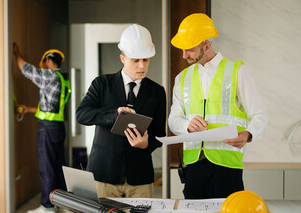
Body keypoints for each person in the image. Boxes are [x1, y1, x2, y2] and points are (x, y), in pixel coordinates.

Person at [168, 13, 268, 199]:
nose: (184, 55)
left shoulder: (238, 71)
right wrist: (186, 125)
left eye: (189, 50)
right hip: (193, 169)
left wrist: (248, 134)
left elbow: (259, 114)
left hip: (227, 169)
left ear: (207, 45)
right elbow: (173, 120)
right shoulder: (182, 78)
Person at [76, 24, 167, 198]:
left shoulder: (157, 91)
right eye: (135, 60)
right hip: (104, 176)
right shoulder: (102, 84)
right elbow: (82, 114)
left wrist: (146, 145)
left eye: (146, 60)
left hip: (140, 178)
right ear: (122, 58)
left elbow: (159, 134)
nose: (141, 66)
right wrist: (114, 115)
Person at [13, 43, 71, 213]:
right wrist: (29, 109)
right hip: (58, 127)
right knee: (57, 165)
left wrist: (17, 53)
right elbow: (51, 108)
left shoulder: (49, 76)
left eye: (44, 62)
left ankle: (47, 205)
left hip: (47, 129)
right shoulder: (63, 80)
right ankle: (60, 202)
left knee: (46, 166)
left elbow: (26, 69)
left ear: (47, 60)